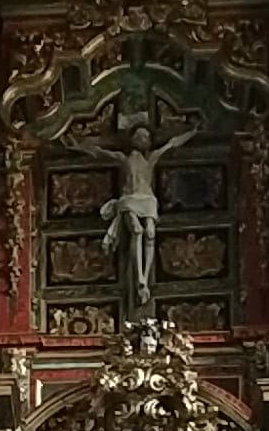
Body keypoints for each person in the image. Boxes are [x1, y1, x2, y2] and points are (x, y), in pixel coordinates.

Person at [72, 123, 195, 310]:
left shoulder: (152, 158)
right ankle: (140, 278)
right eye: (138, 136)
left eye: (145, 137)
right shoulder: (124, 158)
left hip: (147, 199)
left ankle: (145, 277)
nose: (142, 140)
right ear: (132, 140)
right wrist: (79, 145)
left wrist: (193, 132)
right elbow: (100, 152)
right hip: (129, 199)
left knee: (151, 234)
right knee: (137, 231)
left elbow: (172, 143)